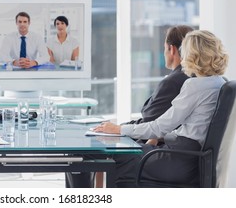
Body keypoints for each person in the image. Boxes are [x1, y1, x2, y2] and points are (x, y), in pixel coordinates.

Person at [93, 30, 228, 187]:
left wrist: (119, 129)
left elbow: (160, 126)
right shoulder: (220, 82)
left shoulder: (195, 85)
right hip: (191, 159)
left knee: (122, 154)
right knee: (129, 151)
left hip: (177, 161)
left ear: (193, 55)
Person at [65, 24, 194, 188]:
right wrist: (117, 128)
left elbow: (150, 123)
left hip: (164, 153)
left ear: (172, 49)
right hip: (174, 151)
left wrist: (117, 129)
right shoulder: (195, 79)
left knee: (82, 151)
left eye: (164, 48)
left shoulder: (174, 81)